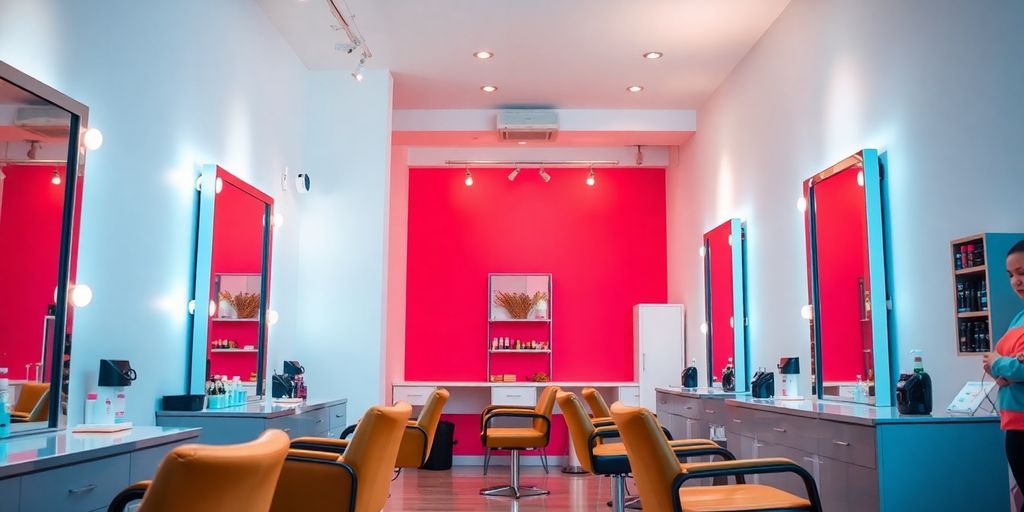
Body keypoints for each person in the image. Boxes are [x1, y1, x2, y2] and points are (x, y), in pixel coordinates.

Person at [983, 240, 1024, 511]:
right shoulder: (1018, 317)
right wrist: (1003, 365)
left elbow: (1013, 366)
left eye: (1022, 273)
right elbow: (990, 360)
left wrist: (1004, 364)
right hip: (1014, 424)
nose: (1016, 282)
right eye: (1011, 276)